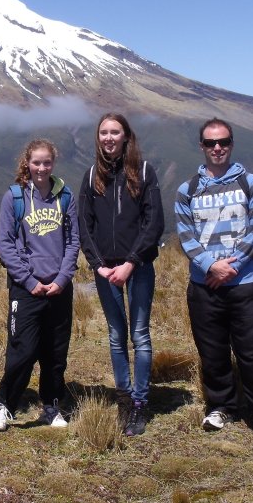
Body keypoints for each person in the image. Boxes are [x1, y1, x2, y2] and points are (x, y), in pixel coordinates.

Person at [175, 118, 253, 442]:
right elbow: (186, 235)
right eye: (211, 143)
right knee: (212, 351)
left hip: (244, 285)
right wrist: (211, 267)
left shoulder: (249, 183)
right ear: (201, 146)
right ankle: (222, 405)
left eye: (223, 142)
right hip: (204, 286)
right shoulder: (188, 190)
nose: (217, 148)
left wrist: (231, 266)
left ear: (231, 144)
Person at [78, 112, 165, 436]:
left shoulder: (143, 172)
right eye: (104, 132)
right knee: (117, 336)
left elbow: (153, 222)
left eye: (115, 132)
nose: (109, 138)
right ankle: (124, 399)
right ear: (98, 137)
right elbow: (84, 225)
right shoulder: (91, 177)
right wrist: (98, 264)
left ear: (126, 136)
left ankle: (140, 403)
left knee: (139, 334)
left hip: (138, 267)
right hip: (105, 269)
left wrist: (129, 262)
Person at [0, 139, 80, 432]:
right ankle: (5, 405)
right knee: (22, 350)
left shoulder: (65, 196)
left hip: (58, 289)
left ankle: (51, 406)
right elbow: (4, 244)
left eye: (47, 162)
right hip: (25, 289)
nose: (41, 168)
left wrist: (62, 279)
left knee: (55, 352)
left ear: (53, 163)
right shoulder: (14, 198)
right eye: (36, 162)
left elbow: (72, 241)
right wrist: (29, 281)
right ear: (27, 163)